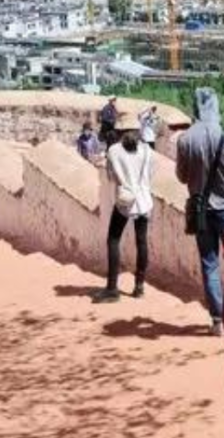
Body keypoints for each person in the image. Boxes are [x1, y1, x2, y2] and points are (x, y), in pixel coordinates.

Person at [176, 87, 224, 335]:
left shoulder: (185, 139)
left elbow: (181, 176)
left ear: (195, 108)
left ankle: (218, 320)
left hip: (201, 212)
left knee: (209, 265)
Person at [94, 113, 154, 303]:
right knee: (142, 241)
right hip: (144, 200)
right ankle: (139, 286)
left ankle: (112, 288)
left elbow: (111, 177)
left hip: (125, 200)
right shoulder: (147, 150)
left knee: (113, 239)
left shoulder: (114, 151)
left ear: (119, 130)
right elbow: (150, 175)